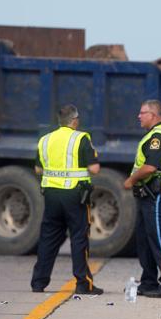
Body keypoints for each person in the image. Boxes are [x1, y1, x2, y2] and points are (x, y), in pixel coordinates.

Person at [31, 104, 103, 295]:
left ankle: (38, 282)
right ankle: (83, 283)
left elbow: (38, 169)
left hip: (51, 195)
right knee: (79, 238)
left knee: (48, 239)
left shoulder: (45, 140)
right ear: (74, 120)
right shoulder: (81, 138)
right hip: (74, 196)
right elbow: (95, 169)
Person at [123, 99, 161, 298]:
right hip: (148, 194)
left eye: (142, 113)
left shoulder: (160, 136)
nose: (138, 116)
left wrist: (130, 180)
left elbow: (150, 167)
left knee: (158, 238)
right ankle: (148, 282)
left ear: (153, 115)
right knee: (144, 239)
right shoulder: (155, 134)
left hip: (157, 194)